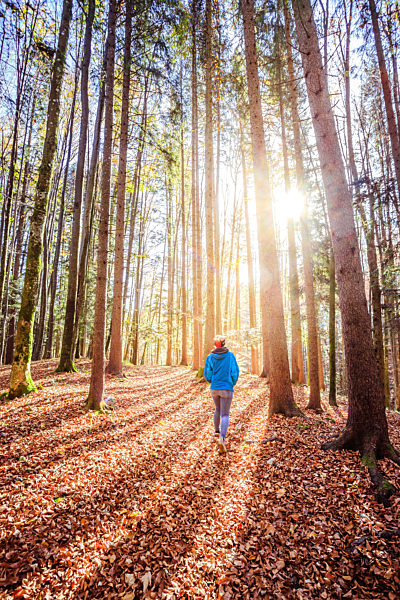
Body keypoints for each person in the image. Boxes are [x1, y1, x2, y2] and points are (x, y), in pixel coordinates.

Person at [204, 335, 239, 454]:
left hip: (214, 388)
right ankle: (222, 439)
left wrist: (211, 381)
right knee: (225, 414)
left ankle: (216, 431)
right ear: (224, 344)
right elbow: (235, 371)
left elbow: (207, 373)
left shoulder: (210, 357)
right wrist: (232, 382)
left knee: (217, 408)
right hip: (226, 388)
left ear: (215, 344)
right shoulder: (230, 356)